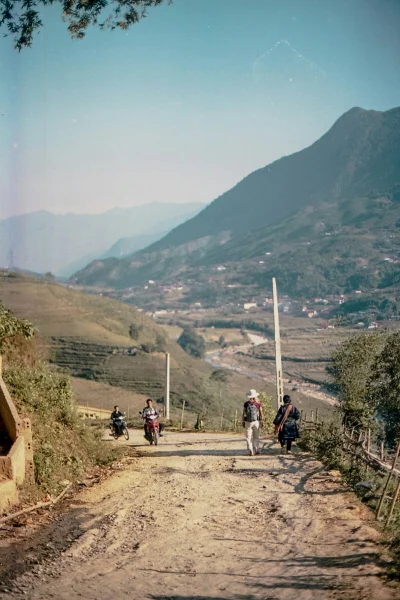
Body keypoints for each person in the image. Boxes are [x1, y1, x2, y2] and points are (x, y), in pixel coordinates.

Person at [242, 389, 264, 456]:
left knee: (248, 437)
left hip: (248, 422)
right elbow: (261, 413)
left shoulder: (246, 404)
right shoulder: (258, 403)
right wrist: (262, 421)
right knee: (256, 436)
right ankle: (257, 449)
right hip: (256, 421)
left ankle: (251, 450)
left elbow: (243, 413)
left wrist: (243, 421)